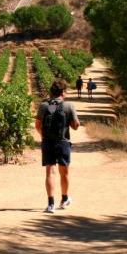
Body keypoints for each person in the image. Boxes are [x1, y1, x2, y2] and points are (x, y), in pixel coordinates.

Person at [35, 79, 80, 213]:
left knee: (50, 172)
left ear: (51, 92)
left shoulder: (44, 106)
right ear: (63, 92)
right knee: (64, 172)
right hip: (63, 142)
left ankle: (50, 204)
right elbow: (76, 126)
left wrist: (43, 136)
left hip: (48, 142)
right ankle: (64, 199)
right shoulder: (69, 106)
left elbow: (37, 125)